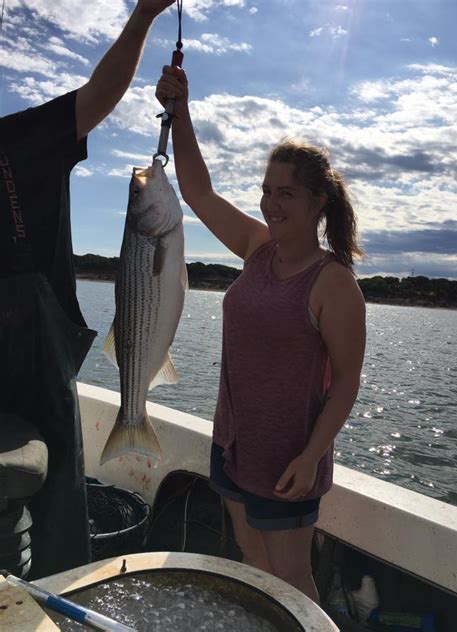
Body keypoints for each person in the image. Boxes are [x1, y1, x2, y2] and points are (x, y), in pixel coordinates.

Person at [156, 65, 366, 603]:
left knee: (293, 580)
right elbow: (198, 191)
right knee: (251, 561)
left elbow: (344, 383)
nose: (270, 204)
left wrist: (312, 455)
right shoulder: (256, 248)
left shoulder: (334, 284)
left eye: (287, 194)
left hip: (288, 459)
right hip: (232, 446)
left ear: (319, 202)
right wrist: (179, 112)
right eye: (266, 191)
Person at [0, 0, 176, 579]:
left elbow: (98, 94)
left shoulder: (21, 137)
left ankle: (52, 601)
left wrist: (146, 14)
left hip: (39, 355)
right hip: (30, 355)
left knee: (59, 515)